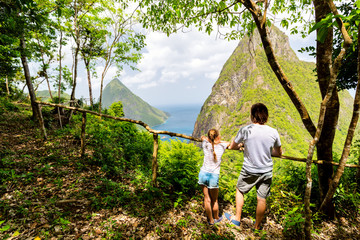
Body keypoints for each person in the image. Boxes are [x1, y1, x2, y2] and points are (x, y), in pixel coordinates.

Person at [225, 103, 282, 230]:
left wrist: (241, 146)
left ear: (252, 116)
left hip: (249, 170)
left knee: (240, 190)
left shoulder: (245, 130)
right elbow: (278, 153)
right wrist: (267, 151)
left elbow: (232, 146)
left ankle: (237, 219)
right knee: (261, 199)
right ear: (266, 116)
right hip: (266, 171)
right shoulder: (273, 132)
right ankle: (256, 227)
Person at [198, 129, 229, 225]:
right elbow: (229, 143)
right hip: (213, 175)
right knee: (214, 200)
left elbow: (203, 138)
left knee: (207, 198)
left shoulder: (205, 144)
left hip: (203, 173)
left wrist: (206, 139)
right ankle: (216, 217)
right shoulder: (222, 146)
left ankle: (210, 220)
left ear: (209, 137)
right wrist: (220, 141)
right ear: (218, 137)